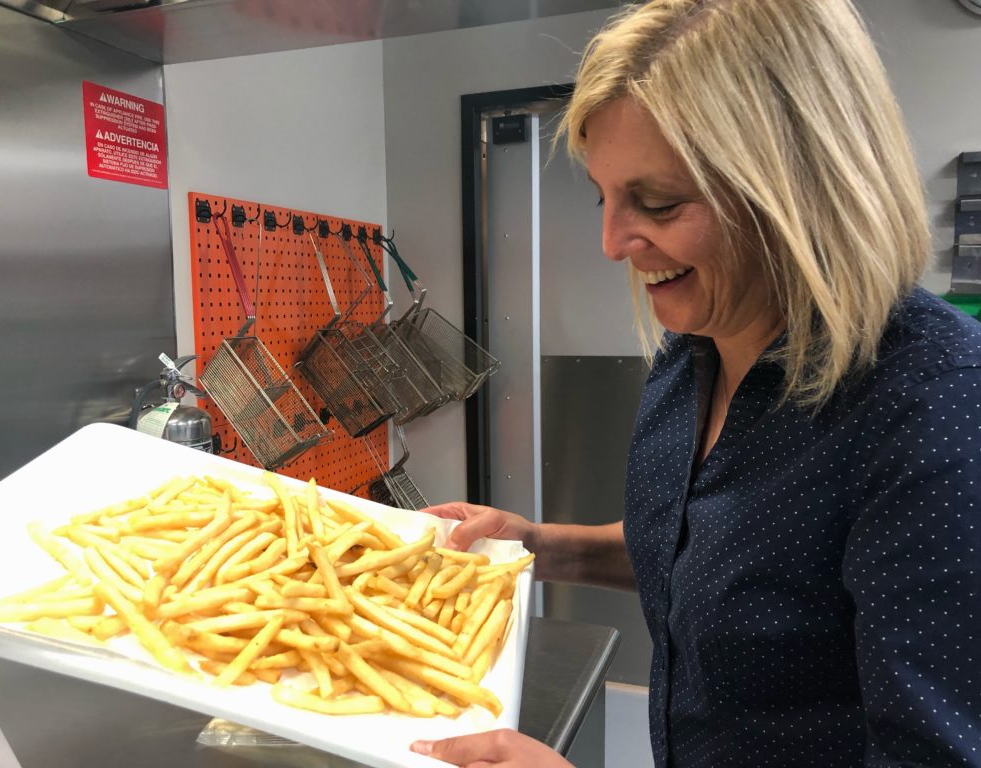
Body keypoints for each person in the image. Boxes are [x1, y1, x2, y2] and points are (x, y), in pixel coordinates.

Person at [408, 0, 981, 766]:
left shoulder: (937, 406)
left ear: (800, 183)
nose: (613, 243)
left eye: (657, 203)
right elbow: (714, 556)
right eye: (603, 198)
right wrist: (539, 548)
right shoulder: (692, 355)